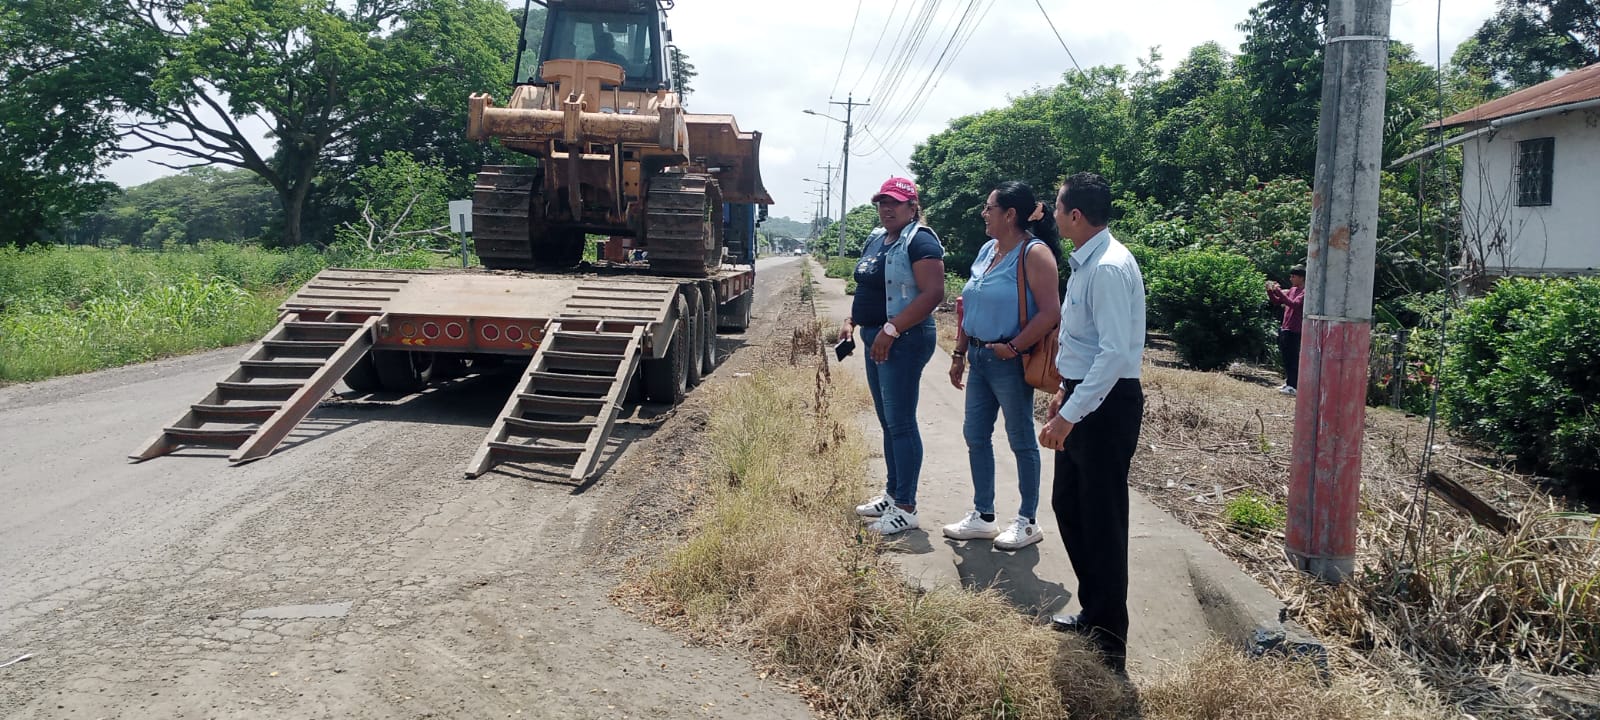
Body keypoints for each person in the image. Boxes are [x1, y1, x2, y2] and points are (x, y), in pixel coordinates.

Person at [1037, 172, 1145, 675]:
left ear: (1075, 215)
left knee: (1102, 520)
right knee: (1071, 506)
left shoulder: (1107, 268)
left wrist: (1070, 416)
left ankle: (1109, 641)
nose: (1055, 215)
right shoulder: (1086, 262)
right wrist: (1065, 391)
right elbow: (1084, 346)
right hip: (1084, 394)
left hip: (1106, 404)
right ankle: (1094, 611)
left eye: (1058, 208)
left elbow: (1114, 354)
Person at [942, 181, 1062, 550]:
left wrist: (1013, 347)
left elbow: (1050, 313)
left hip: (1009, 361)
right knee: (975, 435)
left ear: (1010, 214)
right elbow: (969, 304)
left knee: (1020, 438)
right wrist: (959, 352)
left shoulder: (1034, 253)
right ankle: (984, 515)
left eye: (989, 207)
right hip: (979, 357)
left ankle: (1027, 521)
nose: (983, 213)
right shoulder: (987, 249)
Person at [841, 177, 946, 536]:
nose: (887, 209)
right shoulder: (877, 238)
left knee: (901, 423)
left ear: (912, 207)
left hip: (904, 340)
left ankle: (906, 507)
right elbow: (869, 285)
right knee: (888, 421)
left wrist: (892, 329)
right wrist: (852, 320)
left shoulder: (920, 240)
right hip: (877, 337)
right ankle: (892, 494)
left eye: (895, 203)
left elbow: (933, 293)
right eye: (882, 202)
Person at [1267, 266, 1306, 396]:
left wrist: (1279, 290)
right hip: (1285, 327)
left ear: (1301, 278)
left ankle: (1293, 386)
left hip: (1295, 330)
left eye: (1293, 276)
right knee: (1286, 357)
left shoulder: (1305, 292)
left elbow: (1294, 304)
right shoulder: (1292, 290)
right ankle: (1289, 382)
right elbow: (1277, 301)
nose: (1290, 279)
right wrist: (1270, 291)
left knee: (1293, 358)